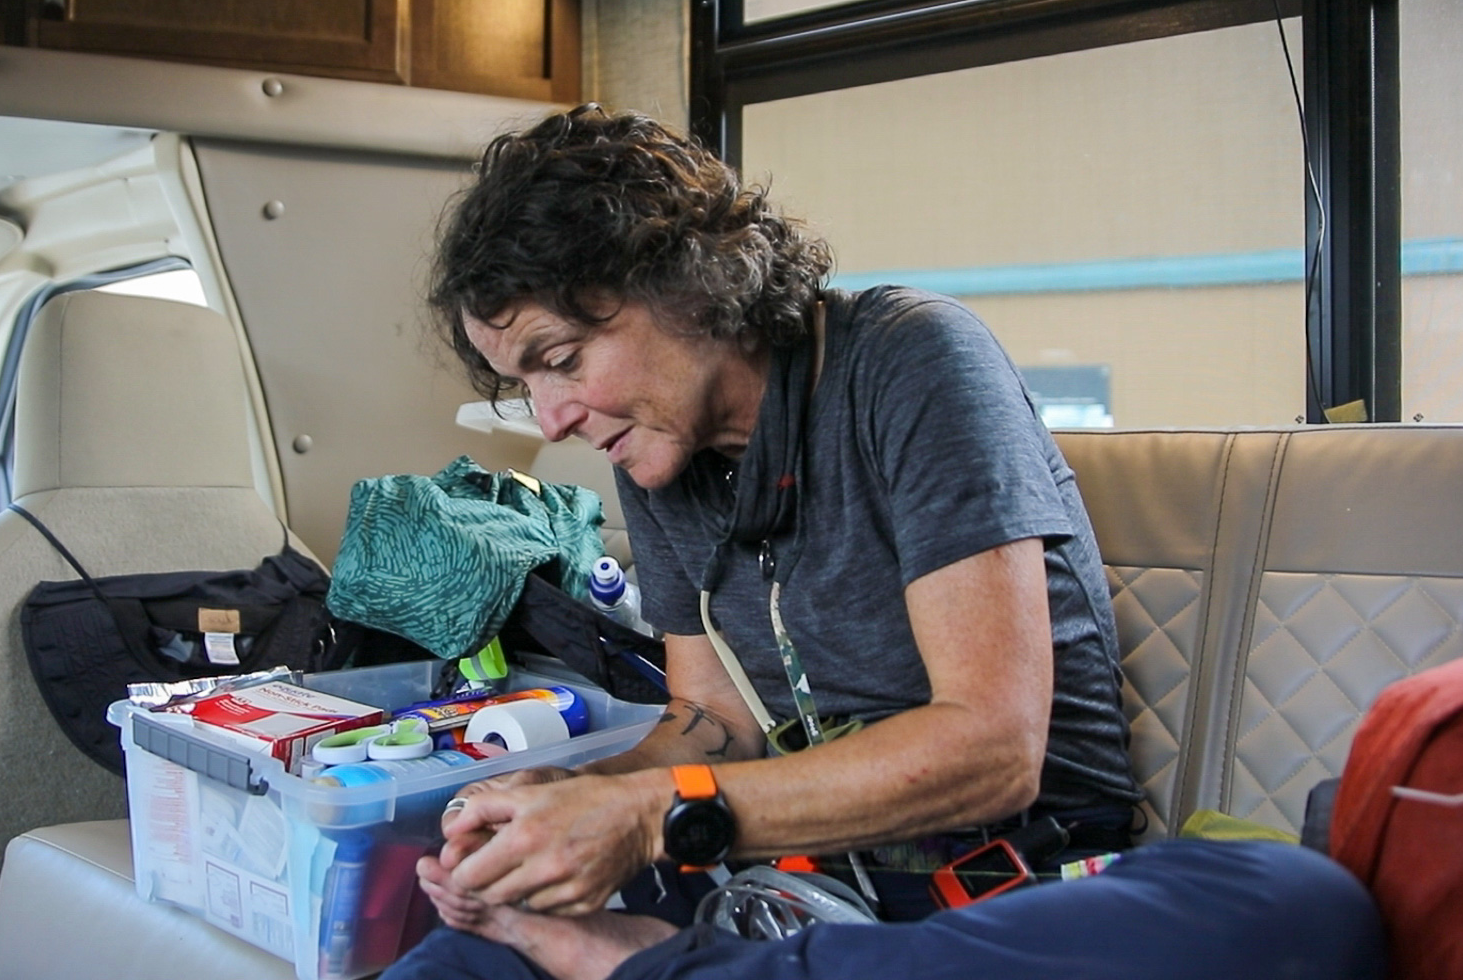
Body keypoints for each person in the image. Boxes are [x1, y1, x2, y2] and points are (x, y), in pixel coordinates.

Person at [385, 106, 1383, 980]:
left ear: (683, 282)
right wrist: (569, 801)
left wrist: (650, 815)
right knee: (468, 947)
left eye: (561, 360)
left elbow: (990, 751)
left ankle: (666, 965)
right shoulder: (655, 448)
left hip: (997, 888)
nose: (551, 418)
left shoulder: (909, 358)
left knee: (1296, 905)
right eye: (525, 383)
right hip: (790, 885)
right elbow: (712, 721)